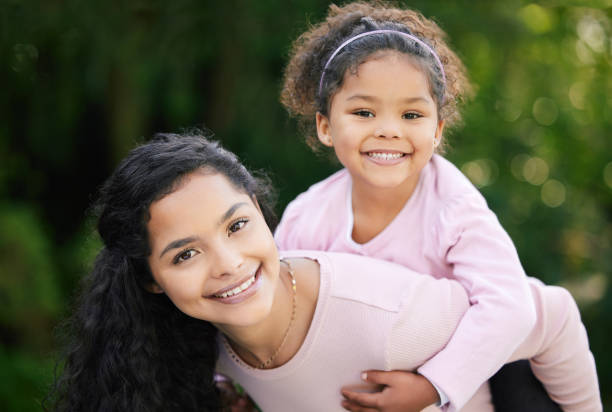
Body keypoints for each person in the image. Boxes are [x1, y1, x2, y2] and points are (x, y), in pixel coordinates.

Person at [46, 133, 600, 412]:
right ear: (150, 279)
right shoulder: (187, 349)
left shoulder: (387, 317)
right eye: (185, 255)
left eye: (237, 226)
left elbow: (552, 315)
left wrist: (437, 386)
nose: (229, 265)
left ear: (265, 217)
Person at [275, 2, 601, 411]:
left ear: (437, 129)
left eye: (411, 114)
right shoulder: (308, 216)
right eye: (363, 112)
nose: (389, 130)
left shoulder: (453, 207)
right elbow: (271, 312)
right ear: (325, 125)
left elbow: (511, 306)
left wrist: (433, 386)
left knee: (549, 305)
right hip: (351, 388)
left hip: (455, 395)